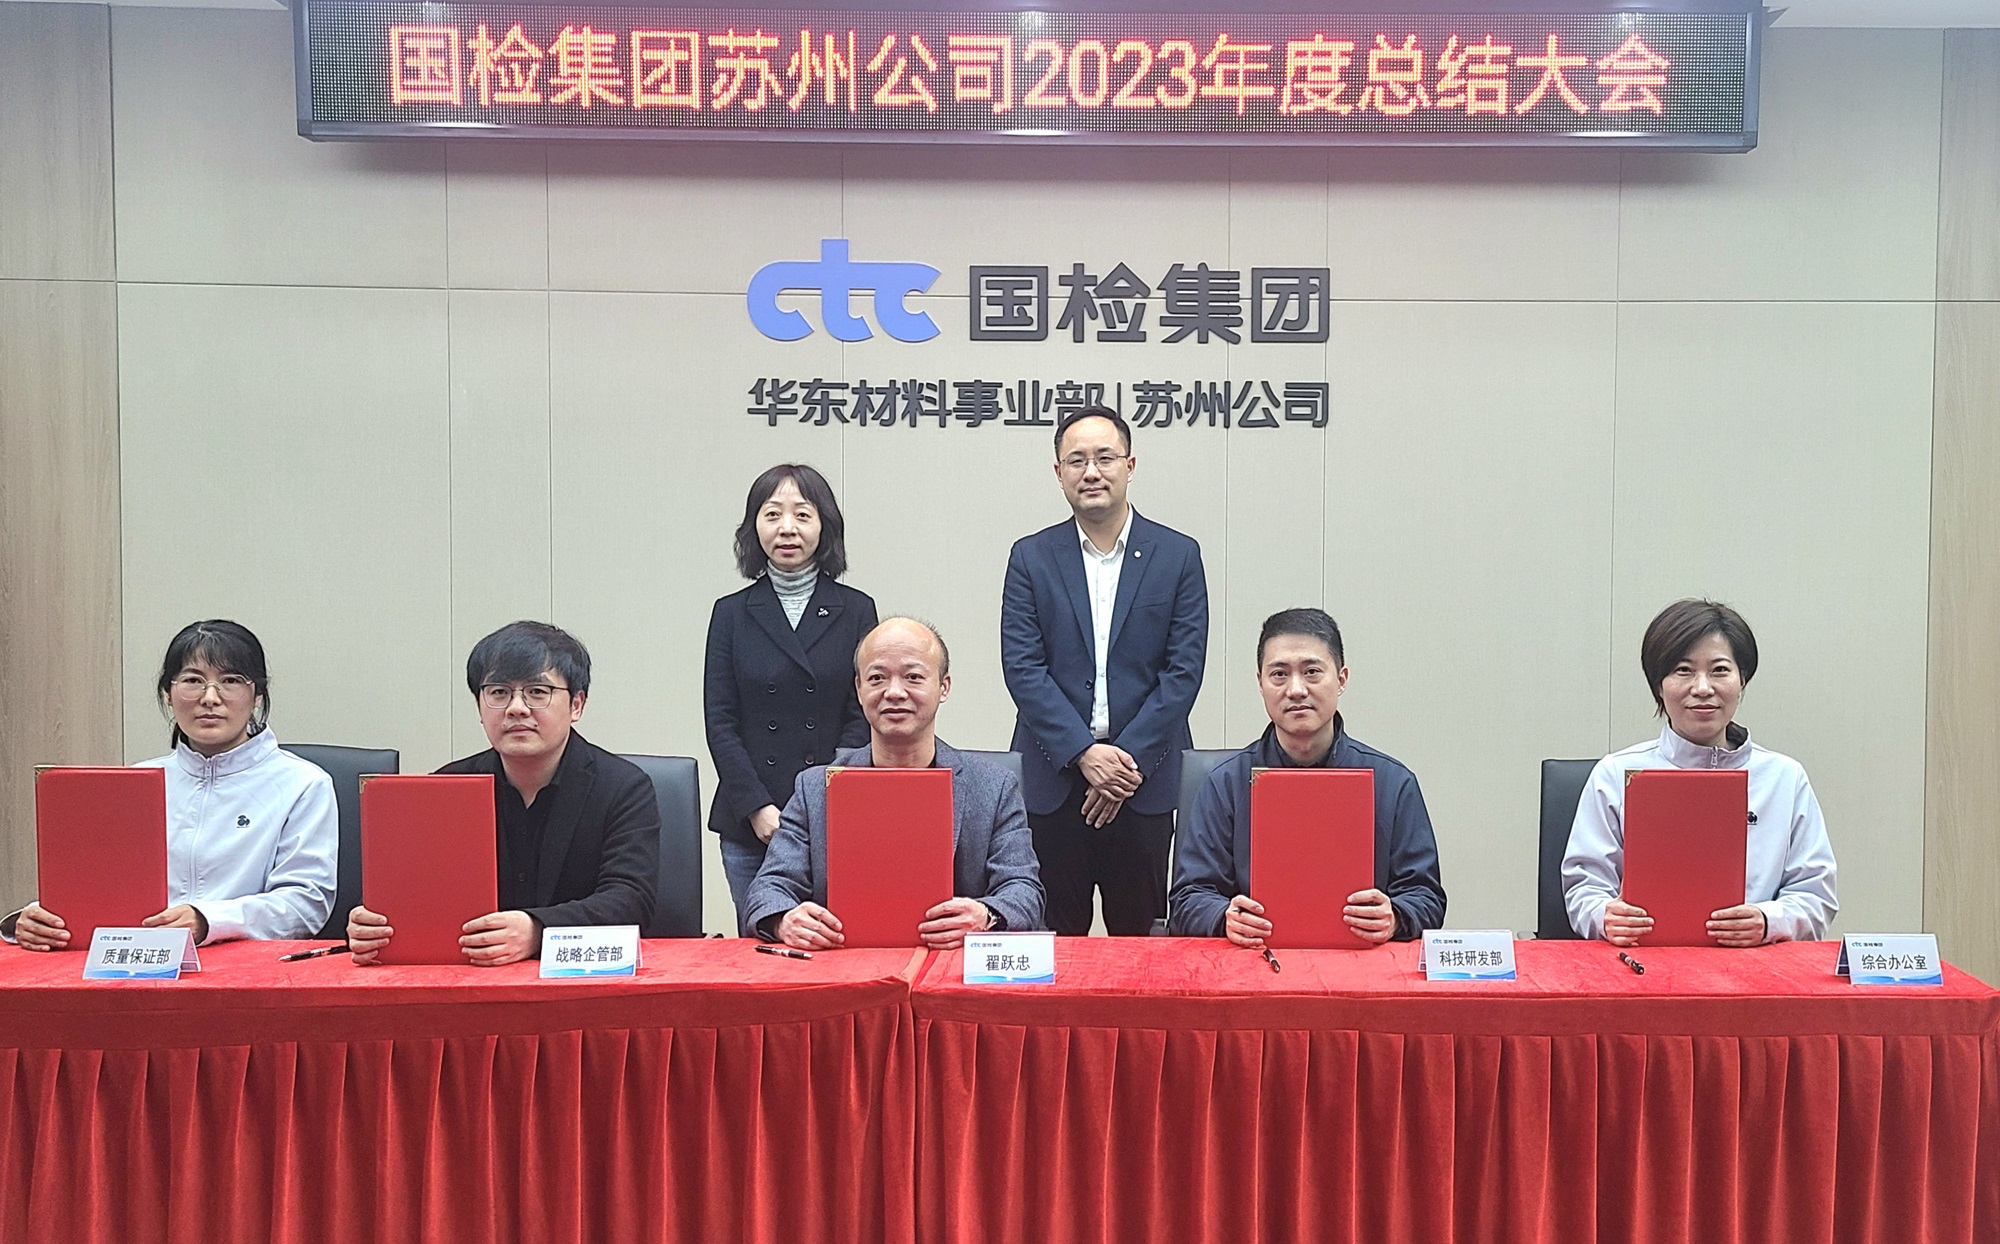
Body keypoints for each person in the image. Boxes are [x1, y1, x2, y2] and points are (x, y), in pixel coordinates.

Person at [1000, 406, 1208, 936]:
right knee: (1050, 942)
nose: (1091, 471)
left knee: (1141, 945)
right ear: (1059, 472)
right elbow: (1023, 668)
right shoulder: (1031, 557)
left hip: (1144, 781)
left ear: (1130, 465)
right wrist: (1084, 754)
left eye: (1104, 458)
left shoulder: (1178, 555)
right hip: (1054, 779)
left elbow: (1183, 672)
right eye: (1076, 461)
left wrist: (1124, 763)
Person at [6, 619, 337, 949]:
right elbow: (93, 888)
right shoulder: (134, 784)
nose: (210, 697)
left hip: (250, 965)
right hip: (138, 962)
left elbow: (305, 904)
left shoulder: (303, 784)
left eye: (231, 681)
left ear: (258, 695)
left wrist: (208, 921)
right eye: (193, 680)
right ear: (168, 693)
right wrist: (40, 918)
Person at [347, 621, 658, 966]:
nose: (516, 708)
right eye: (498, 692)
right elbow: (409, 893)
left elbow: (630, 900)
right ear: (480, 707)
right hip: (472, 978)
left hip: (582, 982)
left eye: (537, 692)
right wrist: (373, 923)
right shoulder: (447, 787)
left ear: (576, 705)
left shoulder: (623, 787)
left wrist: (538, 930)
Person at [742, 617, 1043, 949]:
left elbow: (1024, 891)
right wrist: (785, 920)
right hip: (845, 966)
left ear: (944, 687)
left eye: (913, 677)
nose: (895, 692)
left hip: (952, 967)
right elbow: (767, 889)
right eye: (877, 678)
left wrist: (986, 915)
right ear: (859, 689)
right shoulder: (815, 789)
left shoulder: (995, 787)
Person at [1563, 598, 1838, 946]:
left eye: (1720, 670)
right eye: (1683, 670)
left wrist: (1769, 921)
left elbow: (1816, 895)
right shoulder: (1615, 774)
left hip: (1753, 964)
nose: (1703, 688)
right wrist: (1604, 915)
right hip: (1642, 962)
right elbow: (1585, 886)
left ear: (1742, 679)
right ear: (1659, 685)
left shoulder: (1785, 778)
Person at [1168, 608, 1445, 945]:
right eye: (1279, 674)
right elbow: (1188, 898)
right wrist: (1223, 917)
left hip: (1359, 964)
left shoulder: (1392, 783)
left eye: (1312, 672)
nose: (1296, 689)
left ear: (1341, 679)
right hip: (1253, 960)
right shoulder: (1223, 784)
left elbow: (1426, 896)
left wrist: (1396, 916)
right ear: (1260, 683)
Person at [704, 464, 877, 930]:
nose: (787, 528)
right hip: (752, 823)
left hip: (835, 818)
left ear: (824, 526)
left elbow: (862, 713)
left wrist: (828, 801)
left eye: (802, 514)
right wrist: (757, 808)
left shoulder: (857, 609)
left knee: (837, 942)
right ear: (753, 527)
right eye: (772, 514)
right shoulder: (731, 613)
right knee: (761, 945)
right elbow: (720, 721)